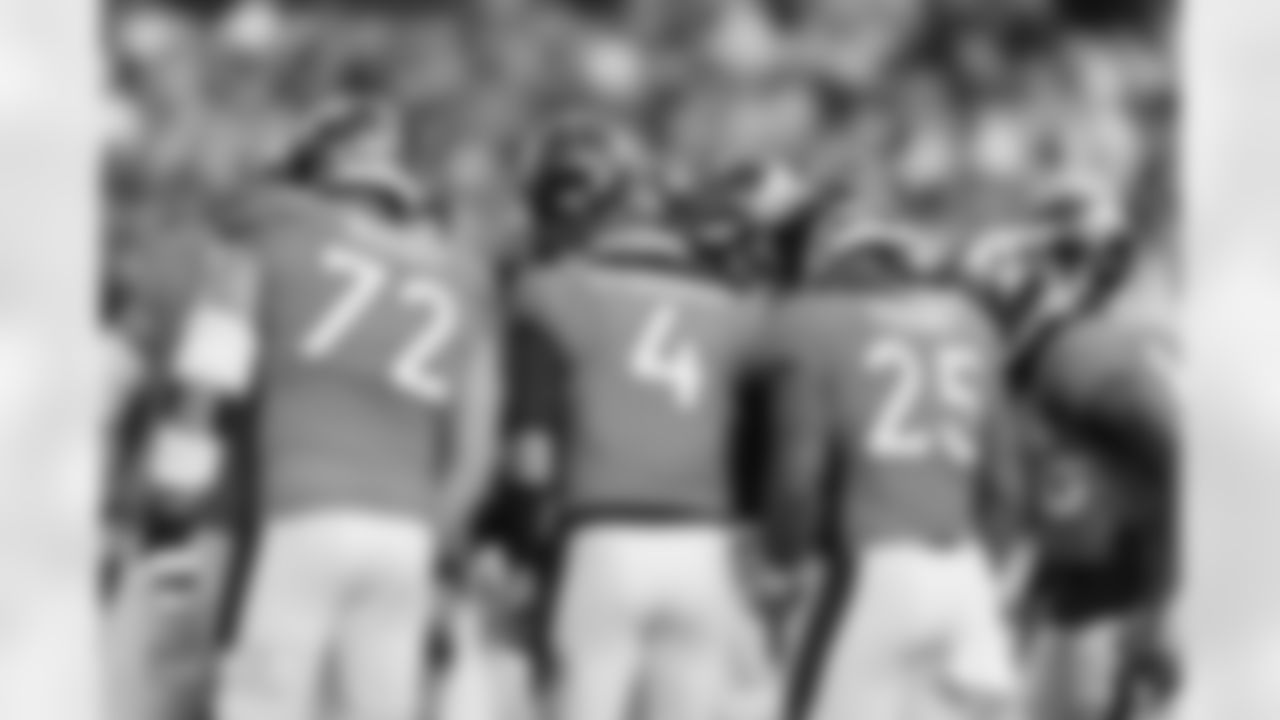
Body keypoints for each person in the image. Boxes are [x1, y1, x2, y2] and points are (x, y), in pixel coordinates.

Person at [174, 105, 505, 720]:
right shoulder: (462, 275)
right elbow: (478, 450)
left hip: (300, 508)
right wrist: (435, 534)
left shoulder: (274, 225)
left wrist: (172, 484)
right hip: (407, 531)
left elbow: (211, 366)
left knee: (261, 702)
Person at [514, 117, 771, 720]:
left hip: (601, 535)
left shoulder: (555, 290)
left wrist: (524, 543)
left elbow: (530, 458)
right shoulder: (731, 306)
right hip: (706, 543)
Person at [770, 202, 1021, 720]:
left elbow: (798, 480)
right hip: (965, 576)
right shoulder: (971, 322)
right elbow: (1006, 486)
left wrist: (783, 562)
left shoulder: (817, 321)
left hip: (872, 572)